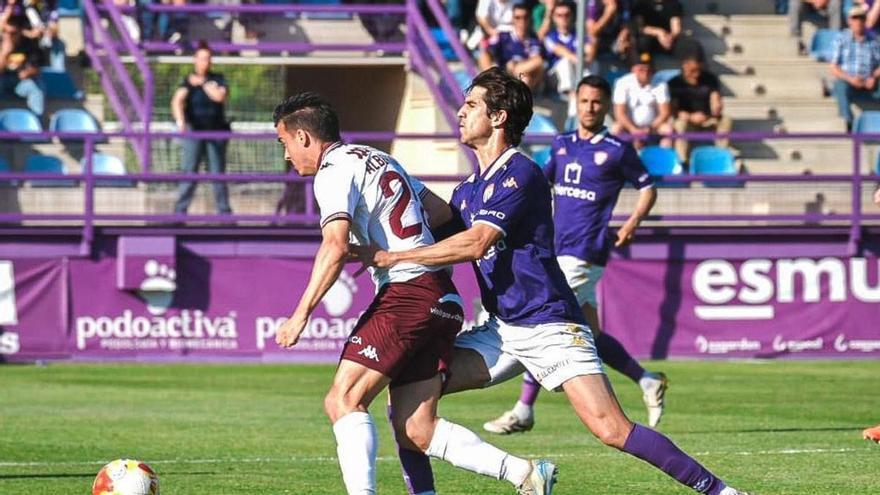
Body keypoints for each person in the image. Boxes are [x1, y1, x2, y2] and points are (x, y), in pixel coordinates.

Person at [356, 67, 750, 495]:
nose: (460, 112)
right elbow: (438, 238)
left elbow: (475, 243)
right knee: (408, 393)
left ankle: (722, 492)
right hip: (502, 331)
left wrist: (393, 256)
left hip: (550, 325)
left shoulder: (521, 172)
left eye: (471, 105)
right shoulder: (467, 191)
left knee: (611, 428)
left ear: (500, 116)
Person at [273, 91, 556, 495]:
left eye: (284, 143)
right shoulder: (380, 158)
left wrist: (301, 313)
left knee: (343, 399)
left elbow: (333, 245)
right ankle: (524, 474)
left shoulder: (332, 170)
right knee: (415, 427)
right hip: (442, 295)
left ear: (303, 137)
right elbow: (443, 214)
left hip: (408, 292)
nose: (286, 155)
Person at [483, 73, 666, 438]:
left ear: (606, 105)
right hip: (555, 247)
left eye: (597, 102)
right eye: (584, 101)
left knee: (544, 323)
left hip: (586, 251)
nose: (590, 107)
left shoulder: (617, 149)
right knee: (590, 333)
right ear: (575, 102)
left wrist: (631, 224)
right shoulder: (562, 143)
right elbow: (540, 181)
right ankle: (646, 380)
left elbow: (648, 189)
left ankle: (523, 409)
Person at [172, 42, 232, 215]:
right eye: (201, 58)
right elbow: (177, 100)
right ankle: (179, 213)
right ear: (195, 60)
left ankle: (224, 213)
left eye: (208, 58)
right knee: (189, 172)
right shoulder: (187, 81)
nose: (204, 62)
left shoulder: (218, 79)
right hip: (194, 131)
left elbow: (219, 96)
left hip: (216, 131)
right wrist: (180, 121)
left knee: (217, 174)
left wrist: (204, 83)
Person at [668, 53, 732, 164]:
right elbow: (673, 109)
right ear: (684, 66)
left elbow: (715, 97)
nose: (696, 74)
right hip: (687, 119)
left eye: (698, 70)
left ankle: (721, 156)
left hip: (708, 118)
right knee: (679, 124)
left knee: (726, 120)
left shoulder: (709, 79)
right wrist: (690, 117)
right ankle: (682, 161)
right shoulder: (675, 83)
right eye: (692, 70)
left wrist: (716, 106)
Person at [829, 4, 880, 132]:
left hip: (869, 82)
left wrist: (873, 77)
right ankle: (848, 120)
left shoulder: (874, 41)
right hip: (849, 82)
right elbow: (833, 67)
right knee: (840, 85)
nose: (858, 22)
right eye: (855, 18)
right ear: (849, 21)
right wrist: (851, 79)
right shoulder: (842, 39)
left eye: (861, 18)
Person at [610, 51, 672, 149]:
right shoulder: (622, 83)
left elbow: (664, 112)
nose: (645, 73)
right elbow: (619, 113)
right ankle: (616, 161)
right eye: (641, 69)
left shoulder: (661, 84)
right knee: (616, 128)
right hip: (628, 126)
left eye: (648, 69)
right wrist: (633, 129)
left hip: (653, 126)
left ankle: (665, 160)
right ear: (634, 69)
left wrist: (650, 128)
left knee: (668, 129)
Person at [543, 1, 595, 111]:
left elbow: (590, 51)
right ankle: (572, 94)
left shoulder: (579, 34)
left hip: (576, 71)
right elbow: (561, 51)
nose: (564, 18)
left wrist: (588, 58)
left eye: (567, 15)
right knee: (565, 62)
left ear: (572, 16)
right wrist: (580, 60)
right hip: (555, 78)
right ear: (554, 18)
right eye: (559, 15)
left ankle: (587, 92)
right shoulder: (550, 36)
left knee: (594, 64)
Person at [485, 3, 544, 90]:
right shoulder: (503, 36)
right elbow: (486, 53)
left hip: (524, 76)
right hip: (503, 75)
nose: (522, 21)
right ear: (512, 19)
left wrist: (516, 66)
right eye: (518, 17)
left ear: (530, 19)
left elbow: (537, 61)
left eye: (525, 17)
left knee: (527, 75)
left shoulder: (533, 39)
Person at [0, 11, 44, 119]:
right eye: (5, 32)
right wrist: (5, 53)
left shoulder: (30, 45)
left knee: (36, 87)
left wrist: (28, 72)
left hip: (21, 82)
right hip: (2, 81)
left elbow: (36, 69)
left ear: (20, 32)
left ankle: (36, 126)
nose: (8, 36)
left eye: (12, 33)